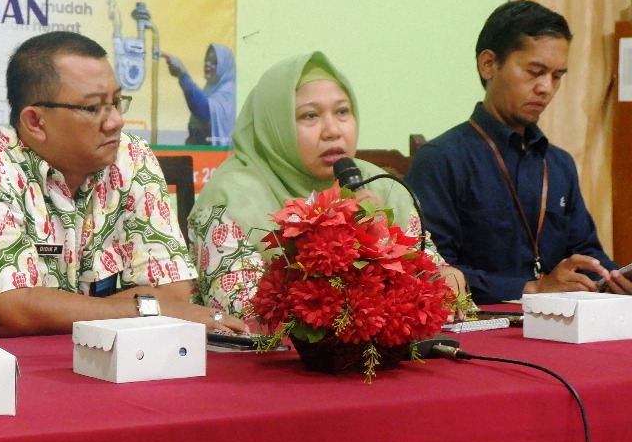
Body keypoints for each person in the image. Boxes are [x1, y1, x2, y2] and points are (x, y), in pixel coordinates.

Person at [0, 31, 247, 338]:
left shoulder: (131, 156)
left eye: (116, 102)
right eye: (94, 107)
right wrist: (144, 309)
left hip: (115, 362)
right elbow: (13, 312)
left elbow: (173, 293)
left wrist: (64, 309)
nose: (116, 122)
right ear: (35, 122)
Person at [189, 51, 464, 318]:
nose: (333, 130)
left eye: (342, 111)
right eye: (310, 116)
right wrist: (343, 237)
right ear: (274, 125)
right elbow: (242, 311)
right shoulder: (232, 196)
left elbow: (430, 275)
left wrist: (445, 280)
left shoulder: (383, 185)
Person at [406, 1, 632, 304]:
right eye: (535, 72)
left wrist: (613, 279)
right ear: (488, 64)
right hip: (481, 328)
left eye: (557, 76)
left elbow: (585, 253)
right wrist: (532, 288)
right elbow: (430, 270)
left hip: (559, 325)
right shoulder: (441, 159)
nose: (546, 88)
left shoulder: (559, 163)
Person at [162, 43, 236, 146]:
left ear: (225, 65)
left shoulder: (228, 91)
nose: (207, 64)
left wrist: (182, 74)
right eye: (207, 60)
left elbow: (203, 111)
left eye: (214, 61)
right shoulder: (211, 88)